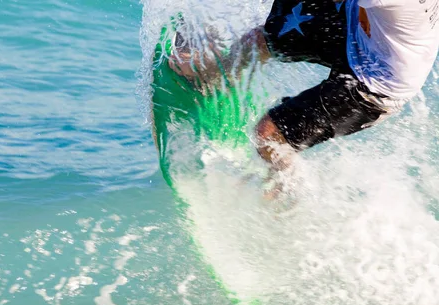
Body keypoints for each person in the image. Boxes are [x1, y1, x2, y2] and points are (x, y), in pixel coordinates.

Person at [169, 0, 439, 176]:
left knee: (269, 135)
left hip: (376, 85)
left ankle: (287, 189)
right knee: (269, 36)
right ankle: (209, 76)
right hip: (361, 30)